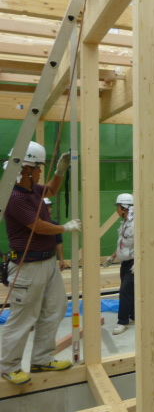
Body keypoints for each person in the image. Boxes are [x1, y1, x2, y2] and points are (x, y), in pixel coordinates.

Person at [0, 141, 81, 385]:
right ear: (26, 169)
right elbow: (37, 226)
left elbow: (52, 190)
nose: (39, 172)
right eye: (37, 168)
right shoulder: (14, 196)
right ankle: (9, 366)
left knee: (55, 310)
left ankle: (42, 359)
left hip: (47, 263)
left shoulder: (33, 190)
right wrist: (64, 228)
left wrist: (60, 171)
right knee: (23, 318)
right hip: (28, 268)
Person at [106, 193, 134, 335]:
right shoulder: (125, 223)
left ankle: (122, 321)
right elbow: (123, 244)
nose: (116, 209)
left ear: (124, 207)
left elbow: (141, 245)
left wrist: (137, 264)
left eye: (118, 206)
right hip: (125, 263)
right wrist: (113, 257)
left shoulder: (135, 225)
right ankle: (133, 314)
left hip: (134, 264)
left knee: (125, 291)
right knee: (130, 291)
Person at [43, 198, 69, 272]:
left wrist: (61, 260)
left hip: (51, 259)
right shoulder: (33, 225)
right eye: (46, 207)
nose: (50, 210)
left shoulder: (55, 225)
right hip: (36, 261)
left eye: (50, 207)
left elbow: (59, 243)